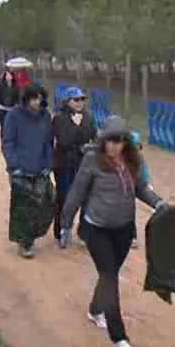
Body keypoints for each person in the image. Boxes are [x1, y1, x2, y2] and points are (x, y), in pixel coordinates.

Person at [60, 115, 170, 347]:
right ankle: (119, 338)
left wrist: (158, 203)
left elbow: (141, 188)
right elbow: (77, 191)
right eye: (110, 141)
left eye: (119, 141)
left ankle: (95, 309)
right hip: (96, 229)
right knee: (110, 277)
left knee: (108, 274)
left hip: (123, 229)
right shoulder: (92, 159)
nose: (114, 146)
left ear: (126, 142)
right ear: (103, 140)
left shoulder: (132, 159)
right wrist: (66, 222)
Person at [1, 85, 55, 258]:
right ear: (26, 99)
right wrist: (14, 165)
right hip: (20, 169)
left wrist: (48, 163)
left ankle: (32, 234)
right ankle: (25, 242)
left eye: (40, 98)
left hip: (40, 168)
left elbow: (48, 142)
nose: (37, 102)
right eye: (34, 98)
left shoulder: (45, 116)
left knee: (45, 203)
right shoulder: (14, 116)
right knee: (23, 207)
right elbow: (8, 141)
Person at [52, 87, 97, 246]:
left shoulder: (89, 116)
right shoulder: (59, 118)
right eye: (75, 100)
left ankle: (83, 232)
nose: (79, 103)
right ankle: (61, 231)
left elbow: (94, 135)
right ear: (67, 101)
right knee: (65, 198)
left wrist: (90, 147)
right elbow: (64, 141)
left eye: (82, 99)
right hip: (64, 164)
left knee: (87, 198)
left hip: (84, 163)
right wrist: (76, 127)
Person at [129, 131, 152, 250]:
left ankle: (132, 237)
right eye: (134, 146)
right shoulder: (120, 156)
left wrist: (147, 183)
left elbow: (144, 170)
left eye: (138, 146)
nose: (136, 149)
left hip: (136, 184)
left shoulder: (139, 157)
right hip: (121, 186)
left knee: (130, 208)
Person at [0, 70, 20, 138]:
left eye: (10, 75)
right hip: (2, 109)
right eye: (6, 75)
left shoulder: (16, 86)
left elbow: (18, 99)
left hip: (11, 109)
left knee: (10, 126)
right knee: (4, 125)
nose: (8, 76)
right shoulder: (0, 85)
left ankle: (9, 140)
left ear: (13, 76)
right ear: (5, 76)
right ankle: (4, 142)